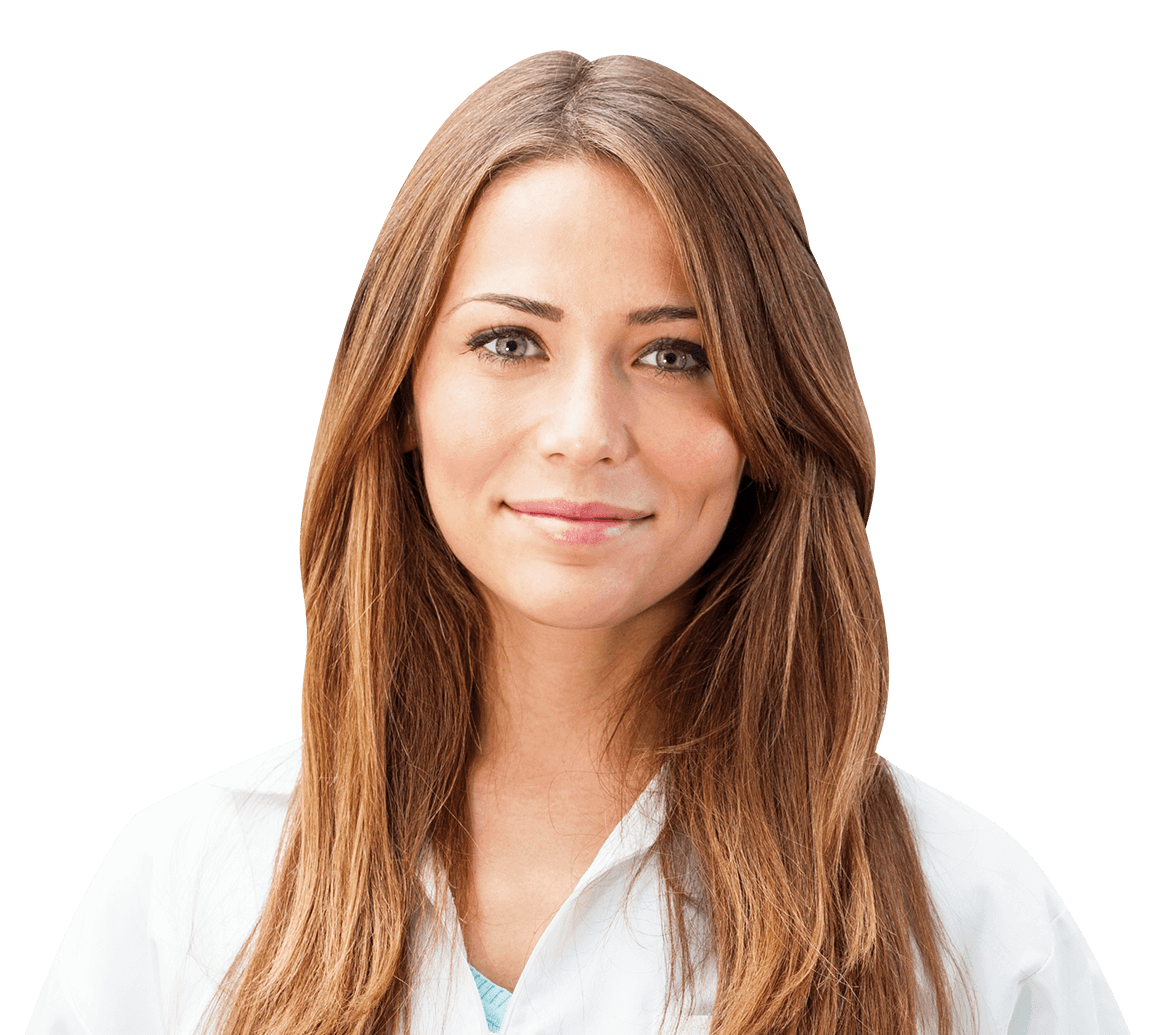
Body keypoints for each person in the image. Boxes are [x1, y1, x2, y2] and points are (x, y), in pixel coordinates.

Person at [27, 51, 1128, 1035]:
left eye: (675, 356)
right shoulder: (180, 889)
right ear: (402, 393)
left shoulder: (972, 921)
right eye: (510, 342)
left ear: (770, 416)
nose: (585, 432)